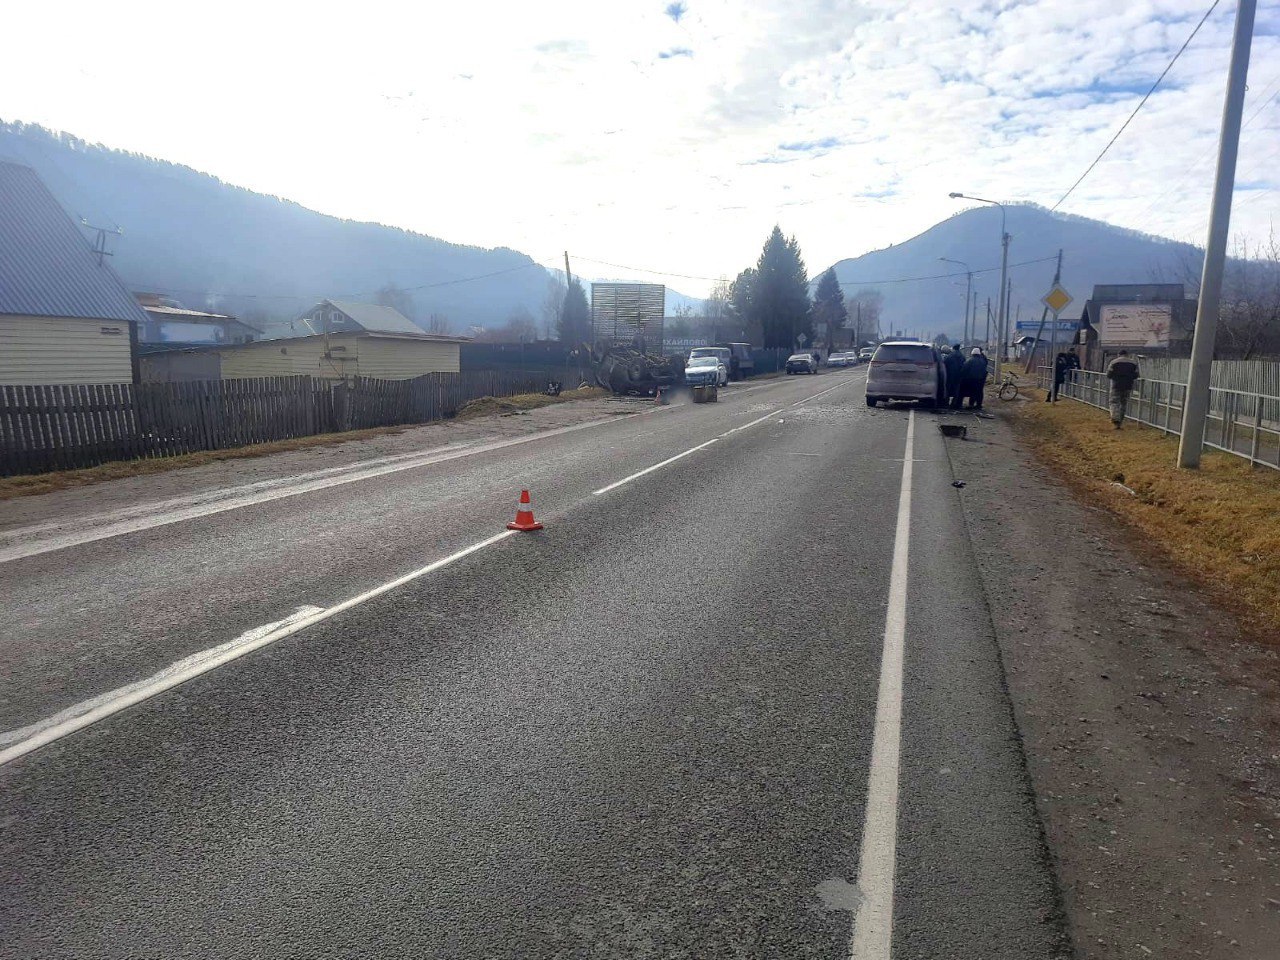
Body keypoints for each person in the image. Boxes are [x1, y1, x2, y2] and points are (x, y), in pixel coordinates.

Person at [1104, 350, 1140, 428]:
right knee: (1123, 403)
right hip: (1128, 386)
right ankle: (1120, 421)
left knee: (1114, 402)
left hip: (1116, 385)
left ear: (1118, 354)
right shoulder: (1133, 363)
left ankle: (1115, 417)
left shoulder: (1113, 362)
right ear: (1127, 354)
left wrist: (1116, 377)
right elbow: (1136, 375)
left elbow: (1109, 374)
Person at [943, 343, 965, 408]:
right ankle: (954, 404)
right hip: (959, 375)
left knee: (947, 389)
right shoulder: (962, 356)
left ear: (953, 348)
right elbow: (964, 365)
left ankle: (946, 403)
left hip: (949, 374)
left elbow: (945, 364)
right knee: (956, 390)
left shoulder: (949, 356)